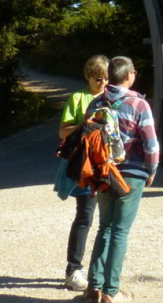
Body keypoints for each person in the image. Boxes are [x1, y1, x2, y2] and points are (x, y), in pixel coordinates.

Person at [84, 56, 159, 303]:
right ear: (130, 75)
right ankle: (110, 292)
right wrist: (151, 170)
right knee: (120, 231)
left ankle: (93, 288)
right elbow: (150, 143)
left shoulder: (95, 104)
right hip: (131, 175)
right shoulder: (139, 105)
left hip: (104, 173)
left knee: (104, 227)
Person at [54, 55, 109, 292]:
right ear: (88, 77)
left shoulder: (112, 97)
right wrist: (84, 125)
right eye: (98, 78)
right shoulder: (78, 98)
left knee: (110, 221)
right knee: (85, 216)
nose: (103, 83)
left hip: (109, 166)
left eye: (107, 78)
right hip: (85, 166)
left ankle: (104, 272)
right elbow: (62, 132)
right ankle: (73, 270)